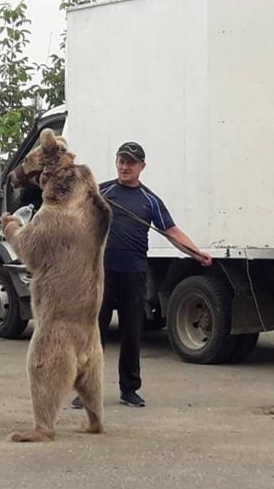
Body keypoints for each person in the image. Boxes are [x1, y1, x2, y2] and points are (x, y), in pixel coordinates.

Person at [72, 141, 212, 409]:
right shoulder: (103, 192)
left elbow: (171, 231)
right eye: (121, 161)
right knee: (93, 333)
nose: (125, 166)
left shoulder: (150, 200)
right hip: (102, 275)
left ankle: (130, 390)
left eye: (131, 163)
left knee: (131, 333)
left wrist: (196, 253)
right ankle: (86, 390)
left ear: (141, 167)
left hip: (134, 275)